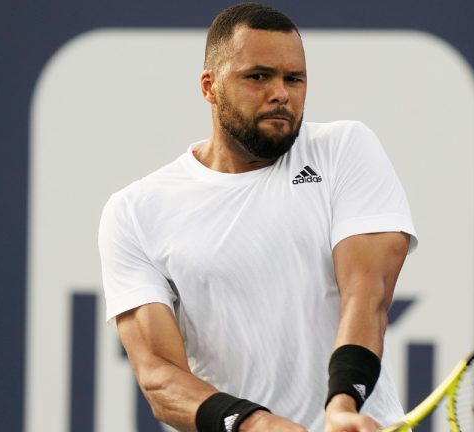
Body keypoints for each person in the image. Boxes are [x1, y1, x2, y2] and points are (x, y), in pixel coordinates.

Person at [98, 3, 417, 431]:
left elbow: (368, 295)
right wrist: (256, 425)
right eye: (258, 76)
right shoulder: (135, 212)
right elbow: (158, 376)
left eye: (294, 78)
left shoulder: (344, 150)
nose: (281, 93)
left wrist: (342, 405)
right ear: (209, 87)